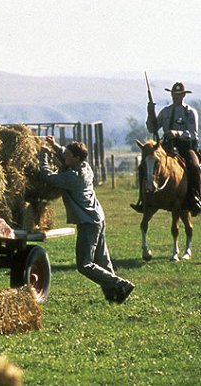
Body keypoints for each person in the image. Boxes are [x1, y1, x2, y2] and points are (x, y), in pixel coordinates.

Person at [40, 136, 135, 303]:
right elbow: (65, 154)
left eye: (69, 155)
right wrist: (55, 146)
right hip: (97, 218)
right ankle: (114, 295)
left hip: (88, 222)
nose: (65, 157)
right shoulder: (85, 166)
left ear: (76, 158)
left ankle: (121, 284)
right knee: (102, 261)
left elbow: (48, 177)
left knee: (84, 265)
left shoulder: (73, 177)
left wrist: (43, 156)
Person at [131, 82, 201, 215]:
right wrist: (150, 113)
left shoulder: (190, 112)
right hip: (166, 146)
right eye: (174, 94)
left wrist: (177, 133)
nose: (176, 96)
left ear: (184, 95)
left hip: (185, 146)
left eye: (179, 94)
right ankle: (143, 199)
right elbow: (152, 128)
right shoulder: (166, 111)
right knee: (144, 166)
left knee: (194, 165)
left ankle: (195, 197)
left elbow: (193, 134)